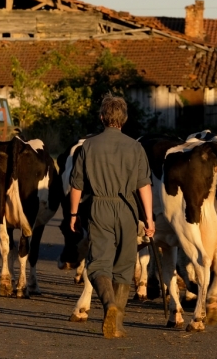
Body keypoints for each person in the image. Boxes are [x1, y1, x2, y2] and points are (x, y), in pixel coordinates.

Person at [69, 94, 154, 339]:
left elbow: (76, 186)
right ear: (124, 119)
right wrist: (148, 219)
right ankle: (116, 323)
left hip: (99, 208)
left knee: (98, 266)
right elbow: (144, 186)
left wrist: (74, 214)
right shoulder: (135, 146)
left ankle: (109, 306)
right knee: (125, 267)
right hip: (128, 209)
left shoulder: (88, 146)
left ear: (102, 117)